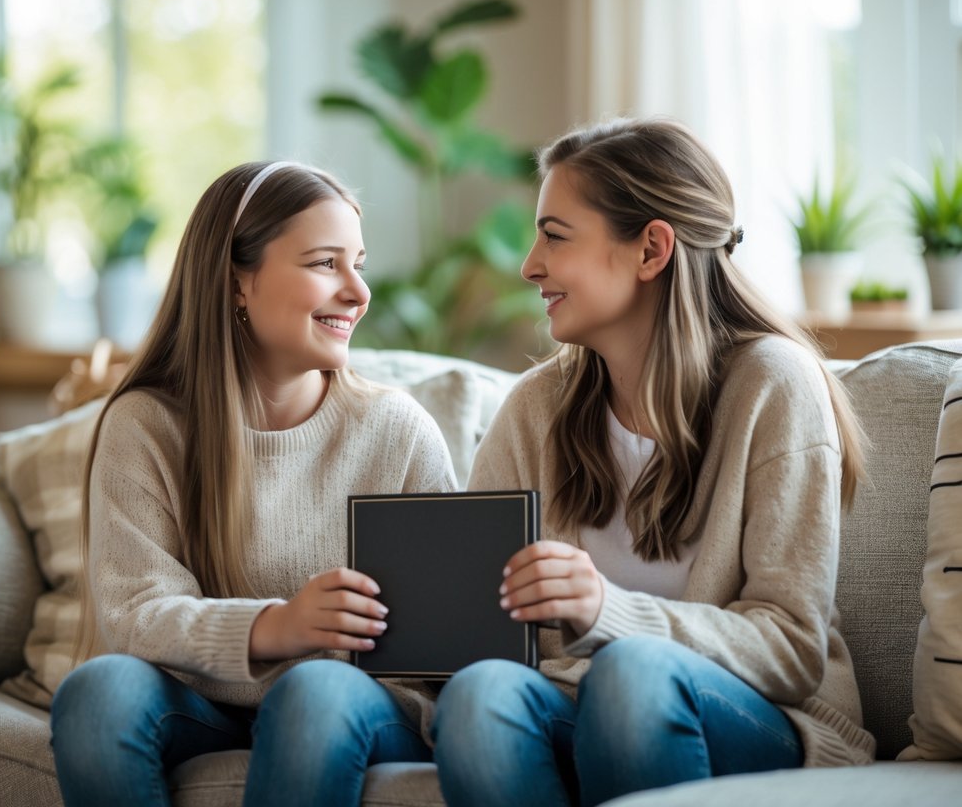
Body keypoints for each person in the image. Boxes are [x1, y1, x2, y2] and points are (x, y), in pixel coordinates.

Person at [429, 118, 877, 807]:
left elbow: (790, 649)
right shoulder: (535, 406)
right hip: (575, 703)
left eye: (554, 234)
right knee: (480, 692)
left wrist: (606, 609)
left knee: (632, 674)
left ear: (650, 248)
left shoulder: (772, 385)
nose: (528, 265)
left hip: (764, 719)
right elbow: (478, 633)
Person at [49, 160, 456, 807]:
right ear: (238, 282)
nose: (357, 291)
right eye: (325, 263)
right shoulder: (145, 426)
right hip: (203, 700)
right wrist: (277, 626)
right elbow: (135, 614)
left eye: (359, 263)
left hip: (357, 706)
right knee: (96, 695)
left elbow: (444, 641)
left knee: (311, 694)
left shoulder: (395, 430)